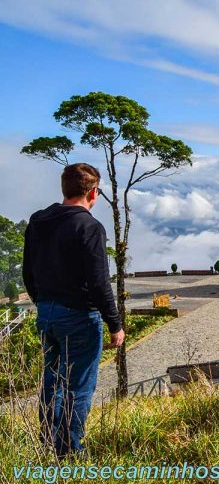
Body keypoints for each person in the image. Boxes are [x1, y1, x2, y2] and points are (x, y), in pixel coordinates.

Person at [22, 163, 125, 458]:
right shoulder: (89, 227)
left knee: (52, 381)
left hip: (46, 313)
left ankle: (48, 443)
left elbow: (29, 272)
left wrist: (42, 301)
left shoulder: (38, 221)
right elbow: (99, 283)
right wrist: (115, 324)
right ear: (93, 192)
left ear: (64, 189)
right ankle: (70, 451)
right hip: (80, 316)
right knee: (77, 387)